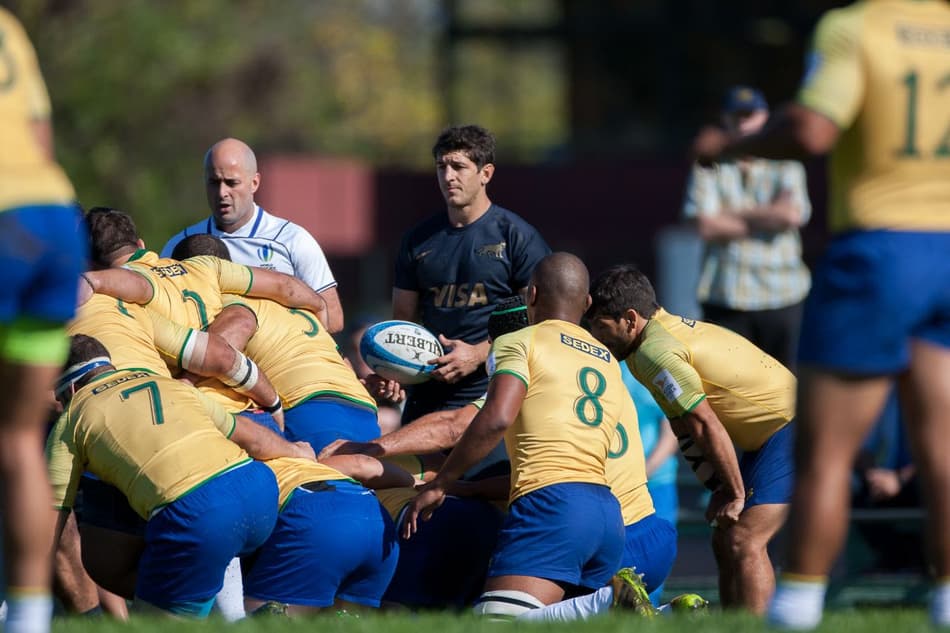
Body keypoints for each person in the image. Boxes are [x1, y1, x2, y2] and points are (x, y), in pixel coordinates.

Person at [691, 1, 950, 628]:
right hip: (946, 247)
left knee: (825, 453)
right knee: (942, 447)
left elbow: (812, 130)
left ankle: (798, 607)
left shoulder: (856, 26)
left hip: (879, 251)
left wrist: (731, 143)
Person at [405, 253, 627, 618]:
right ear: (587, 303)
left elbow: (496, 418)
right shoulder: (605, 358)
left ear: (532, 295)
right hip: (606, 512)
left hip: (552, 506)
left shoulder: (522, 340)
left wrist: (441, 482)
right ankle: (631, 608)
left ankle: (608, 604)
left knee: (497, 623)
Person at [46, 335, 315, 616]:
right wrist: (296, 450)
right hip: (259, 491)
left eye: (59, 396)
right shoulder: (168, 384)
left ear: (73, 388)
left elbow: (49, 520)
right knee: (183, 578)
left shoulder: (72, 418)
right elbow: (250, 436)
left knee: (153, 620)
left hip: (198, 513)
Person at [587, 264, 795, 614]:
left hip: (791, 427)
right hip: (768, 437)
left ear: (630, 319)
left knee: (745, 539)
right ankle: (733, 625)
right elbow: (684, 427)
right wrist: (718, 488)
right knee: (724, 536)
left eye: (601, 328)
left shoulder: (655, 350)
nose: (597, 338)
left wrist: (735, 493)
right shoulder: (646, 348)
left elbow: (704, 421)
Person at [0, 8, 86, 633]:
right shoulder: (6, 25)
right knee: (19, 439)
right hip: (52, 215)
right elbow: (40, 139)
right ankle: (26, 621)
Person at [390, 124, 550, 424]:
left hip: (493, 389)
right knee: (411, 471)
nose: (448, 176)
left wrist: (478, 354)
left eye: (459, 166)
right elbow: (402, 321)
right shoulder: (417, 239)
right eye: (441, 166)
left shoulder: (517, 236)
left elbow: (541, 321)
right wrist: (393, 368)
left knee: (485, 474)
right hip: (428, 390)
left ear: (485, 173)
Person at [170, 234, 381, 452]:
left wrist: (188, 379)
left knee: (318, 471)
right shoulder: (297, 305)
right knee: (365, 474)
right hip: (363, 408)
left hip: (308, 406)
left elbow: (239, 325)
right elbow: (341, 362)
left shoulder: (226, 300)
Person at [683, 85, 811, 368]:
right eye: (736, 116)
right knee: (730, 393)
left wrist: (729, 214)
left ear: (764, 117)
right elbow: (704, 225)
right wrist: (767, 218)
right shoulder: (708, 160)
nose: (743, 122)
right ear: (724, 119)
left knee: (787, 391)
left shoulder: (785, 160)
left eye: (749, 115)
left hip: (782, 294)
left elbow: (791, 215)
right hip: (726, 296)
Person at [160, 137, 344, 333]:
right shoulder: (180, 244)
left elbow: (334, 318)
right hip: (209, 358)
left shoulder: (292, 240)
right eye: (214, 183)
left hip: (277, 359)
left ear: (254, 183)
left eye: (232, 183)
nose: (222, 192)